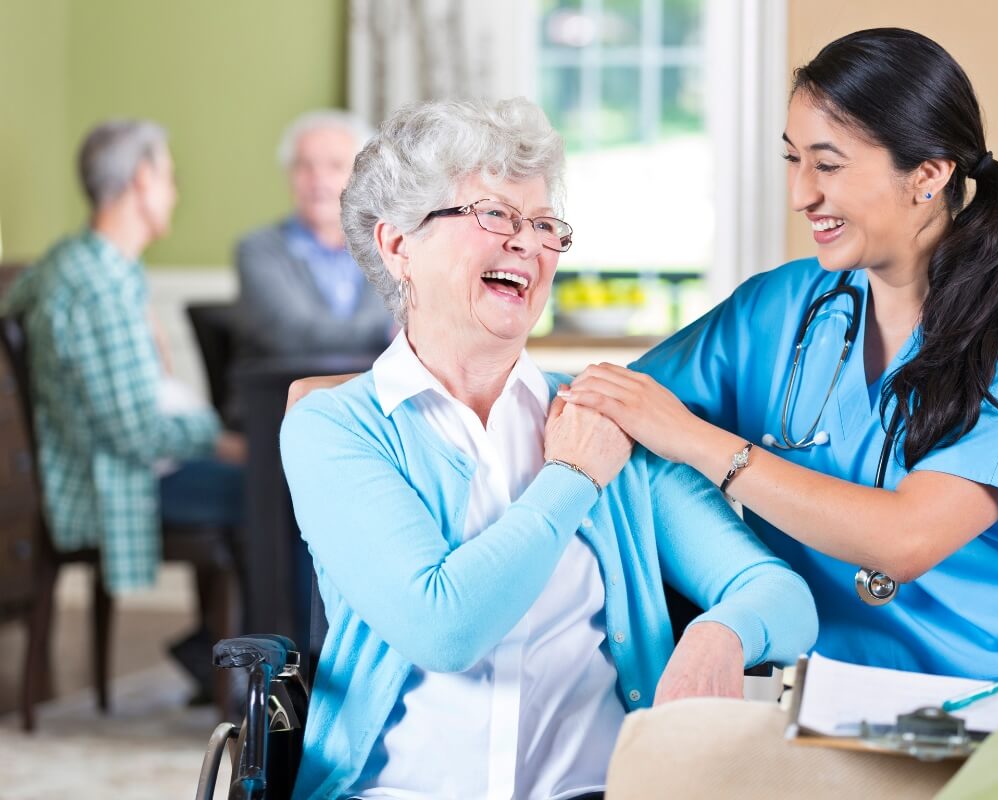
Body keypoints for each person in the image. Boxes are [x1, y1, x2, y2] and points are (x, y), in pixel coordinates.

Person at [561, 28, 998, 733]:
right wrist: (731, 601)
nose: (801, 194)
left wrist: (700, 443)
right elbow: (611, 415)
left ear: (928, 175)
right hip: (838, 719)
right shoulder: (776, 312)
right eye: (793, 160)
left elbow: (906, 540)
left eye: (829, 165)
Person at [279, 97, 816, 800]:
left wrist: (724, 633)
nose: (528, 244)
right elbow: (442, 628)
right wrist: (571, 476)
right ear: (397, 244)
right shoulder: (337, 427)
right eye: (495, 216)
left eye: (542, 224)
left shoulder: (609, 415)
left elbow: (783, 598)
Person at [0, 119, 245, 694]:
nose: (175, 192)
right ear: (142, 179)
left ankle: (218, 651)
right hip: (113, 481)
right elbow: (135, 431)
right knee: (271, 487)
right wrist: (219, 439)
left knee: (263, 477)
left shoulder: (89, 265)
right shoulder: (97, 283)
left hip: (126, 463)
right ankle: (256, 662)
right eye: (170, 177)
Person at [235, 110, 394, 358]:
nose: (318, 179)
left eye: (335, 166)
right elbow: (293, 332)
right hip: (287, 391)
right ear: (290, 176)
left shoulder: (389, 246)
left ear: (363, 177)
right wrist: (388, 331)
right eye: (304, 166)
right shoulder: (259, 249)